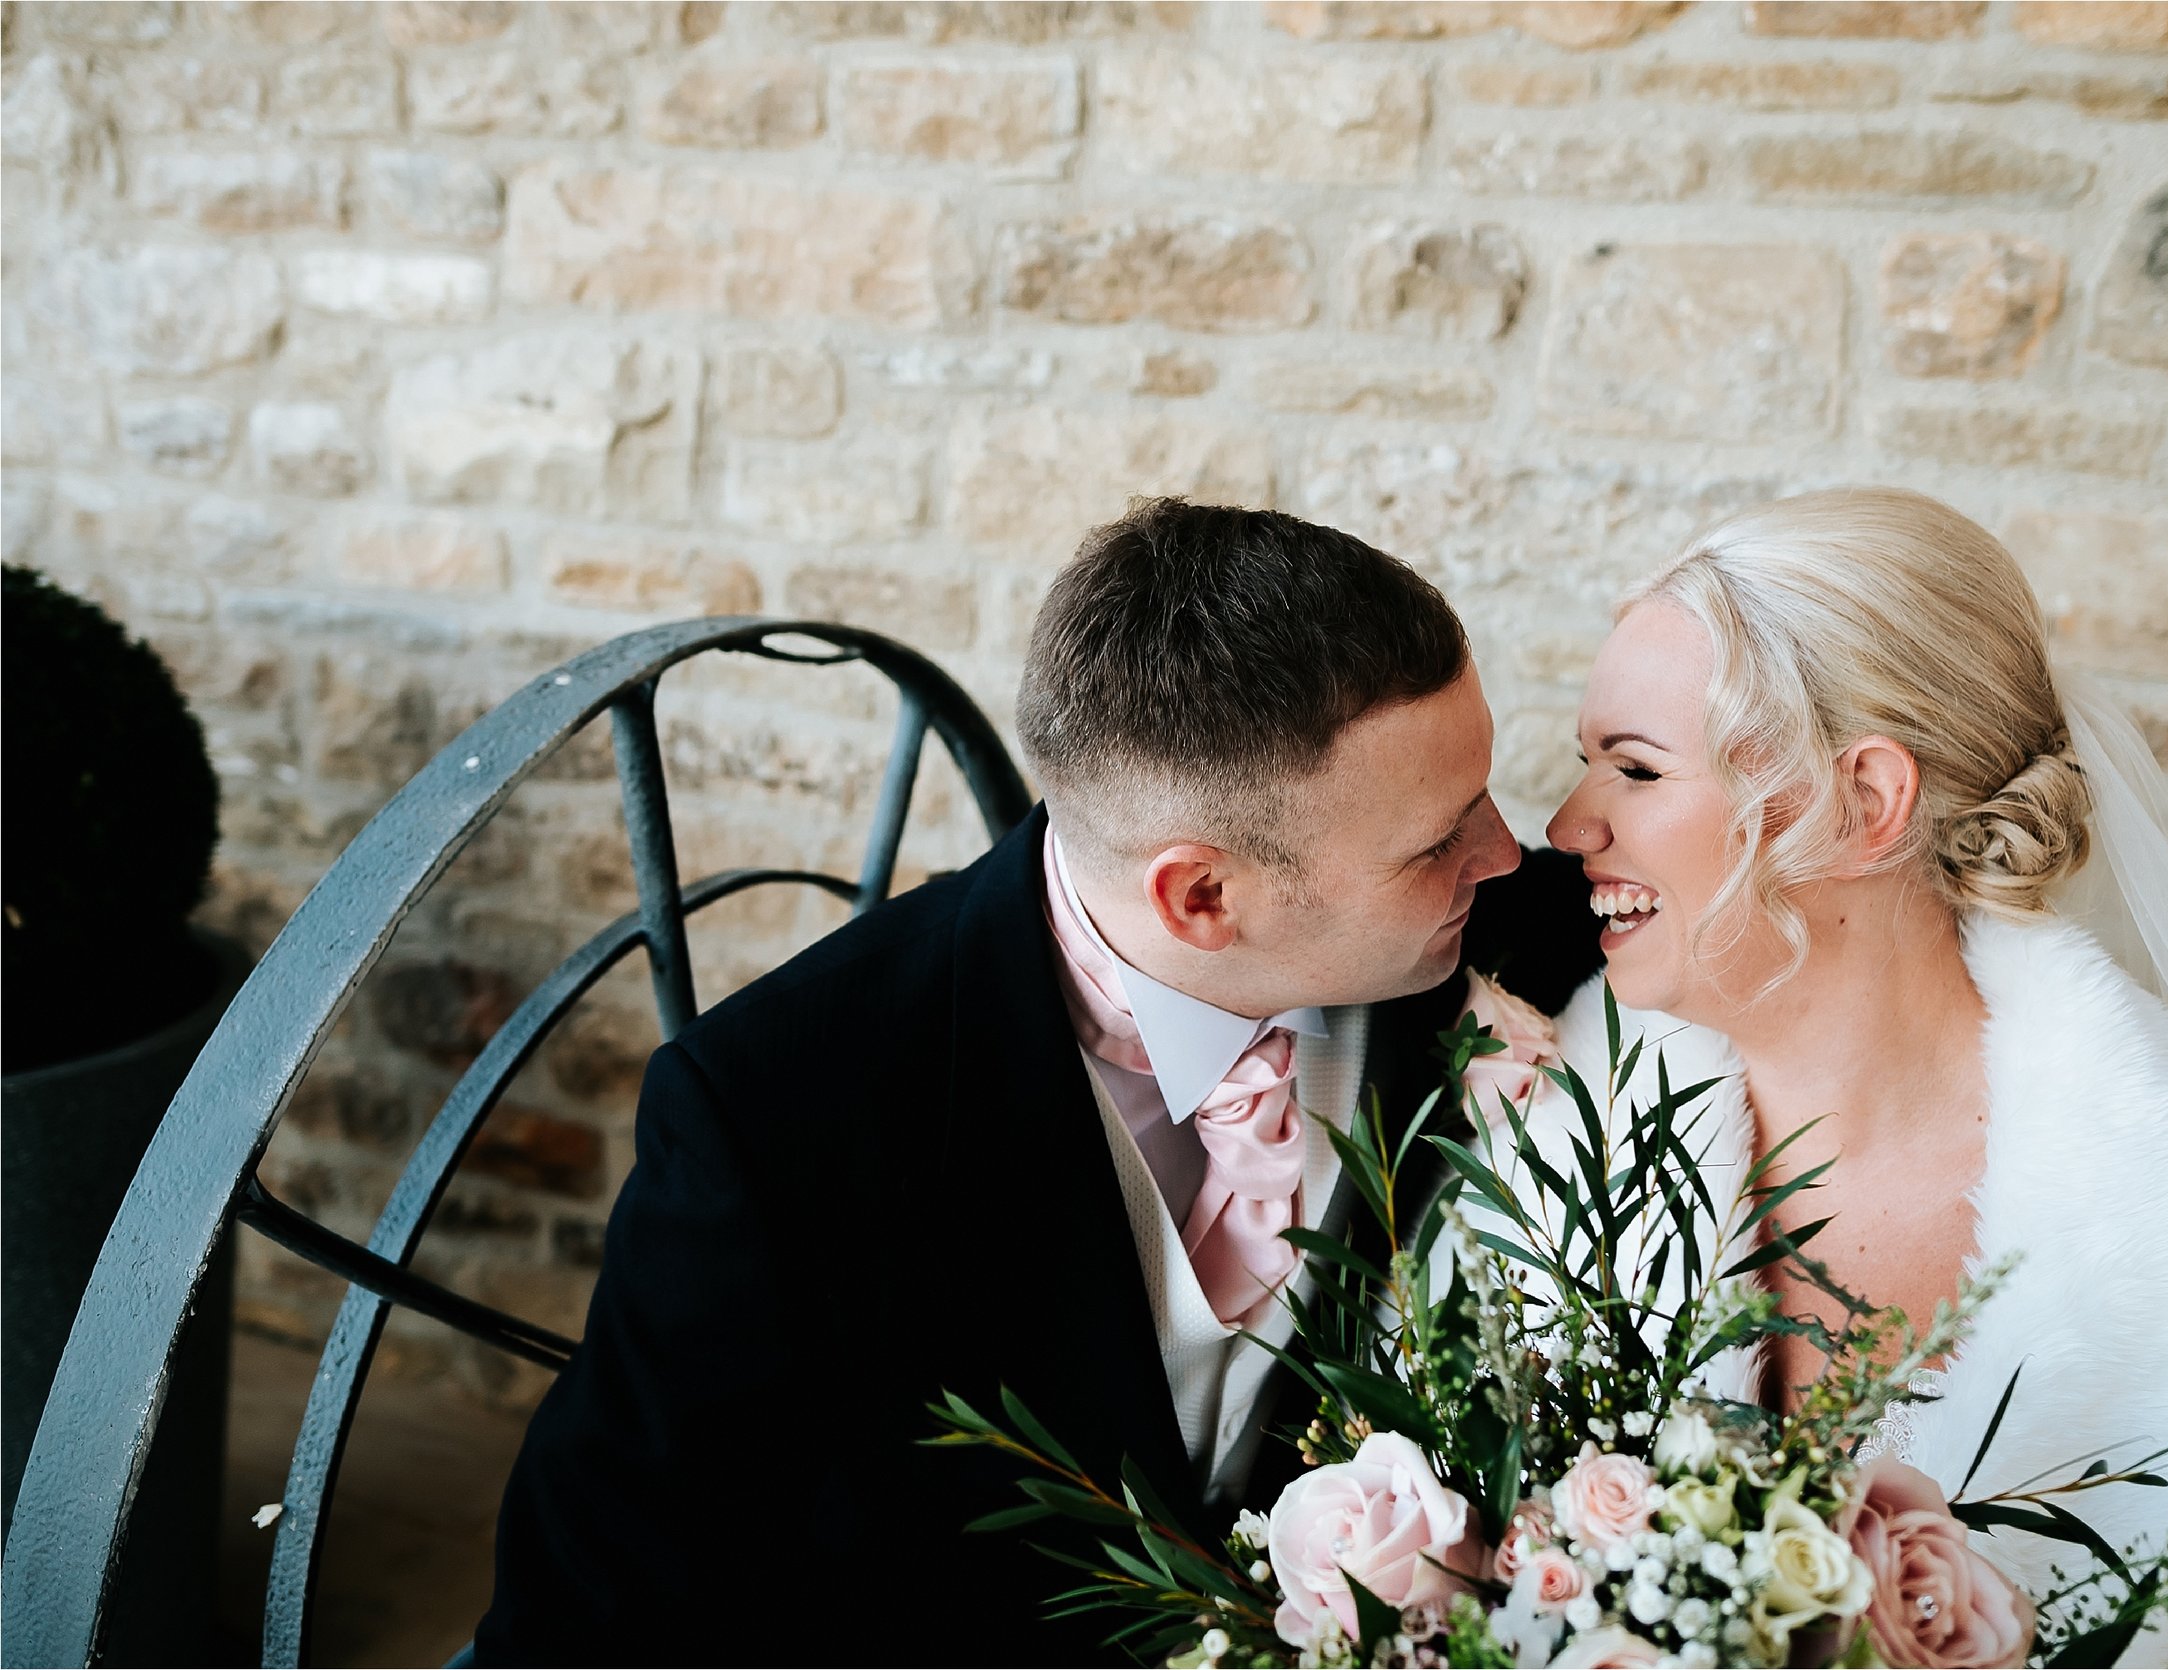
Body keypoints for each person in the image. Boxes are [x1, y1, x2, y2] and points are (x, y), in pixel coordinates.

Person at [472, 500, 1600, 1666]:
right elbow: (586, 1613)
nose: (1506, 851)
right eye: (1438, 838)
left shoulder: (1496, 925)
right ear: (1200, 898)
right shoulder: (779, 1119)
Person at [1507, 487, 2168, 1666]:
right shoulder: (1576, 1117)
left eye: (1634, 768)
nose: (1566, 823)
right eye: (1587, 763)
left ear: (1864, 804)